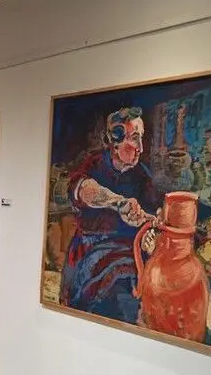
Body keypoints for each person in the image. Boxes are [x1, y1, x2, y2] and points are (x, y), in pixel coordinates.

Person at [60, 107, 159, 324]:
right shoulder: (94, 165)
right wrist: (119, 203)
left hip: (130, 252)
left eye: (141, 138)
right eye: (134, 138)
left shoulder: (142, 176)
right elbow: (84, 189)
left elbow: (152, 215)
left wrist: (149, 227)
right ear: (114, 141)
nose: (141, 148)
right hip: (90, 249)